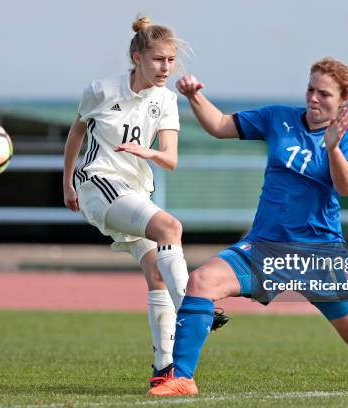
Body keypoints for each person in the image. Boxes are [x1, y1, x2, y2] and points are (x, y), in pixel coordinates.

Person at [148, 57, 348, 396]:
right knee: (201, 280)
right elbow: (221, 125)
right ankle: (182, 378)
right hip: (265, 247)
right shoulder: (278, 118)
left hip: (319, 256)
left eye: (324, 93)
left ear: (342, 101)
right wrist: (194, 96)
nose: (313, 97)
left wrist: (334, 148)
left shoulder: (347, 142)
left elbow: (346, 187)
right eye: (311, 89)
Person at [62, 15, 228, 388]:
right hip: (97, 184)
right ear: (137, 56)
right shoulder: (101, 90)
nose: (165, 67)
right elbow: (77, 130)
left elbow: (170, 158)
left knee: (156, 273)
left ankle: (163, 368)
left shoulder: (167, 101)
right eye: (158, 59)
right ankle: (194, 304)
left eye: (170, 60)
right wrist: (68, 181)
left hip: (134, 192)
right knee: (171, 227)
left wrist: (146, 152)